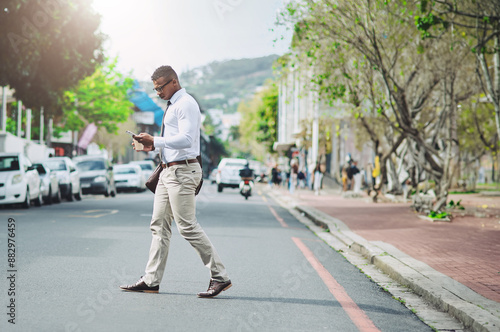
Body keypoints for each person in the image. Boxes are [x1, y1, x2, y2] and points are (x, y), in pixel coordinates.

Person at [120, 65, 231, 297]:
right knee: (158, 225)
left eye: (160, 88)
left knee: (187, 227)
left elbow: (187, 139)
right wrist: (151, 145)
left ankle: (220, 277)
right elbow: (170, 140)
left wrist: (157, 140)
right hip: (167, 171)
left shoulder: (186, 104)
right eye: (155, 89)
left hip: (183, 172)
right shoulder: (172, 106)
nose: (158, 92)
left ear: (174, 82)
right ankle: (151, 280)